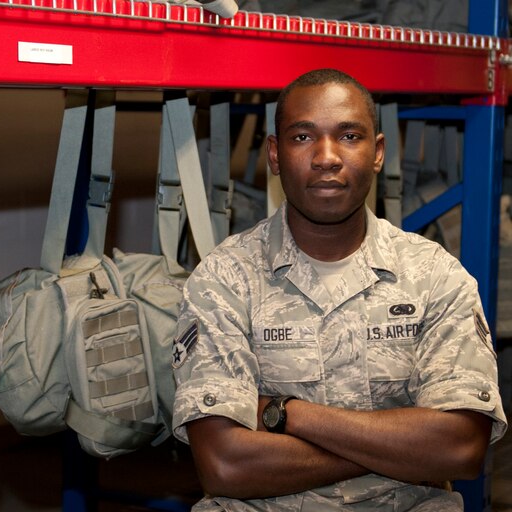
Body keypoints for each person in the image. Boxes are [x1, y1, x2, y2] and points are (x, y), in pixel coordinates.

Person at [171, 68, 507, 510]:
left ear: (378, 152)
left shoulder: (434, 276)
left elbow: (460, 448)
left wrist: (286, 413)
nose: (327, 157)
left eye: (349, 136)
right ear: (275, 154)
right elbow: (226, 464)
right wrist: (398, 447)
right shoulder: (224, 280)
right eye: (302, 137)